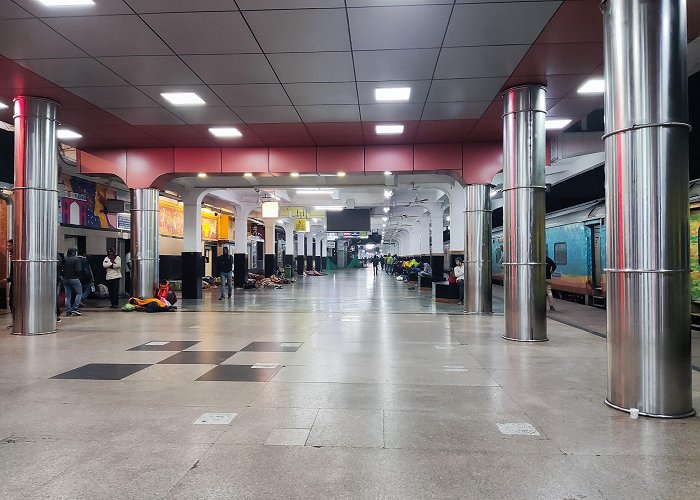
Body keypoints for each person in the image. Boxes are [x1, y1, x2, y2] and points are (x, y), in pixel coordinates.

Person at [62, 248, 83, 317]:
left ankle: (68, 311)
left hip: (65, 279)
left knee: (68, 295)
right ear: (73, 253)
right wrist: (79, 275)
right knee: (79, 293)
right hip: (74, 278)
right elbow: (78, 269)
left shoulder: (64, 259)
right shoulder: (76, 259)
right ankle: (75, 308)